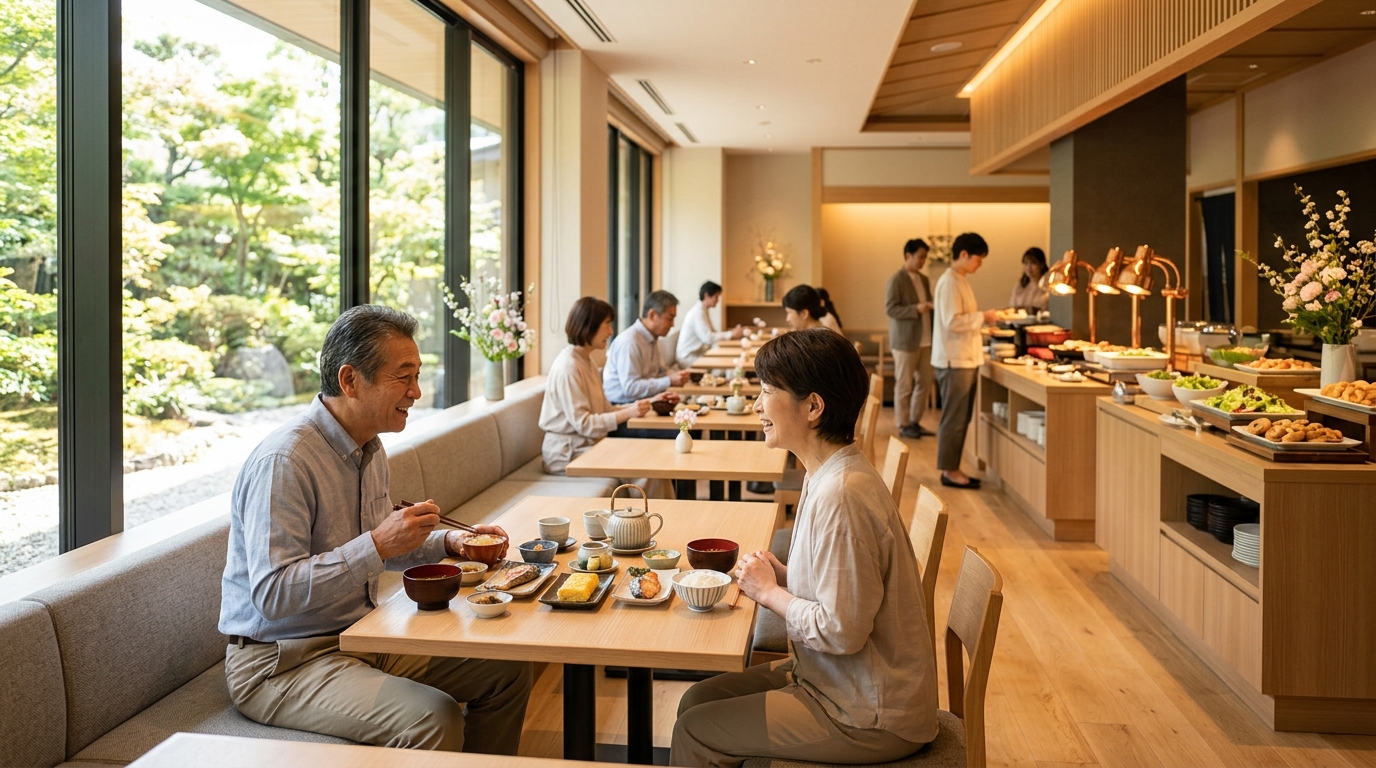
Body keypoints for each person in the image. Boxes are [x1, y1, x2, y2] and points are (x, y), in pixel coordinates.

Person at [219, 305, 533, 752]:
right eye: (403, 377)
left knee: (506, 669)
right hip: (282, 662)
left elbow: (383, 546)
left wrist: (450, 541)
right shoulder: (285, 461)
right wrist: (377, 544)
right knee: (433, 718)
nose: (417, 392)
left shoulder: (369, 448)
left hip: (361, 636)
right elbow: (272, 594)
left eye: (418, 375)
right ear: (350, 381)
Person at [671, 328, 937, 767]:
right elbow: (848, 593)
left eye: (767, 391)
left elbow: (843, 630)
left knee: (694, 730)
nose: (757, 405)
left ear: (813, 407)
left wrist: (769, 593)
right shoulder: (825, 473)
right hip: (832, 679)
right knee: (697, 699)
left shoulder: (842, 495)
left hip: (865, 711)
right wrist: (786, 575)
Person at [541, 297, 660, 473]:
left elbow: (604, 409)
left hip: (586, 444)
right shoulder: (568, 367)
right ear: (590, 326)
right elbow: (585, 424)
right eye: (607, 324)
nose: (611, 332)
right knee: (642, 466)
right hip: (567, 453)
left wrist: (647, 405)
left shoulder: (586, 362)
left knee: (649, 459)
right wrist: (629, 412)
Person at [932, 232, 999, 489]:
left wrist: (982, 324)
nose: (979, 265)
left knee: (960, 417)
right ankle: (950, 471)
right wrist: (984, 317)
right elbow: (952, 321)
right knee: (955, 418)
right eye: (978, 259)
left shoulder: (959, 280)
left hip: (962, 359)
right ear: (963, 255)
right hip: (954, 360)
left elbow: (961, 320)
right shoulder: (950, 282)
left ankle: (952, 468)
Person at [603, 290, 693, 404]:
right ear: (652, 315)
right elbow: (631, 388)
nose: (673, 324)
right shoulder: (630, 342)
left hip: (646, 401)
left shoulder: (653, 338)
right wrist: (669, 380)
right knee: (684, 418)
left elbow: (660, 372)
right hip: (624, 407)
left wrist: (678, 376)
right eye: (670, 318)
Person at [886, 238, 935, 440]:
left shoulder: (923, 279)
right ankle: (903, 424)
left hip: (926, 339)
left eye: (925, 257)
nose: (923, 261)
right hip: (905, 341)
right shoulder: (897, 279)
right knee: (905, 384)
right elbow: (891, 308)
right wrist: (915, 308)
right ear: (908, 255)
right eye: (920, 256)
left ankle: (915, 421)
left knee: (925, 382)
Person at [677, 281, 745, 365]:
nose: (717, 300)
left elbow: (713, 333)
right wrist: (731, 334)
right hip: (688, 357)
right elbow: (708, 338)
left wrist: (732, 333)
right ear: (706, 296)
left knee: (727, 360)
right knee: (724, 366)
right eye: (716, 296)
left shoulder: (703, 310)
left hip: (697, 354)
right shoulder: (697, 312)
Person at [1007, 247, 1050, 311]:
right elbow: (1012, 307)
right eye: (1026, 263)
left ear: (1041, 265)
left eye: (1033, 263)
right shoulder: (1020, 286)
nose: (1029, 267)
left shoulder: (1048, 286)